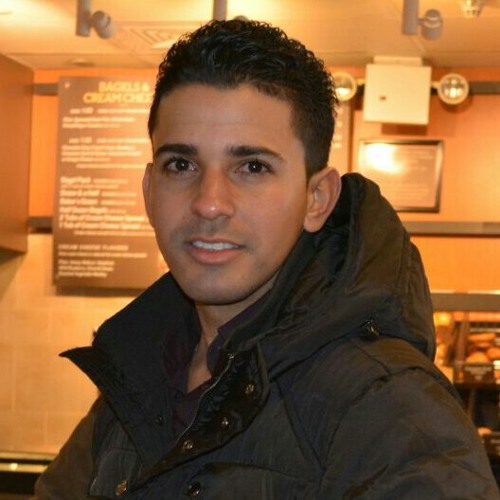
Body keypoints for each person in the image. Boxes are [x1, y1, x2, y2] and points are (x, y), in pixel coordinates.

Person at [33, 19, 498, 499]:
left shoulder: (390, 406)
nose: (209, 203)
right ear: (149, 191)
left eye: (252, 167)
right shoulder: (135, 376)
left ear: (316, 199)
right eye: (181, 164)